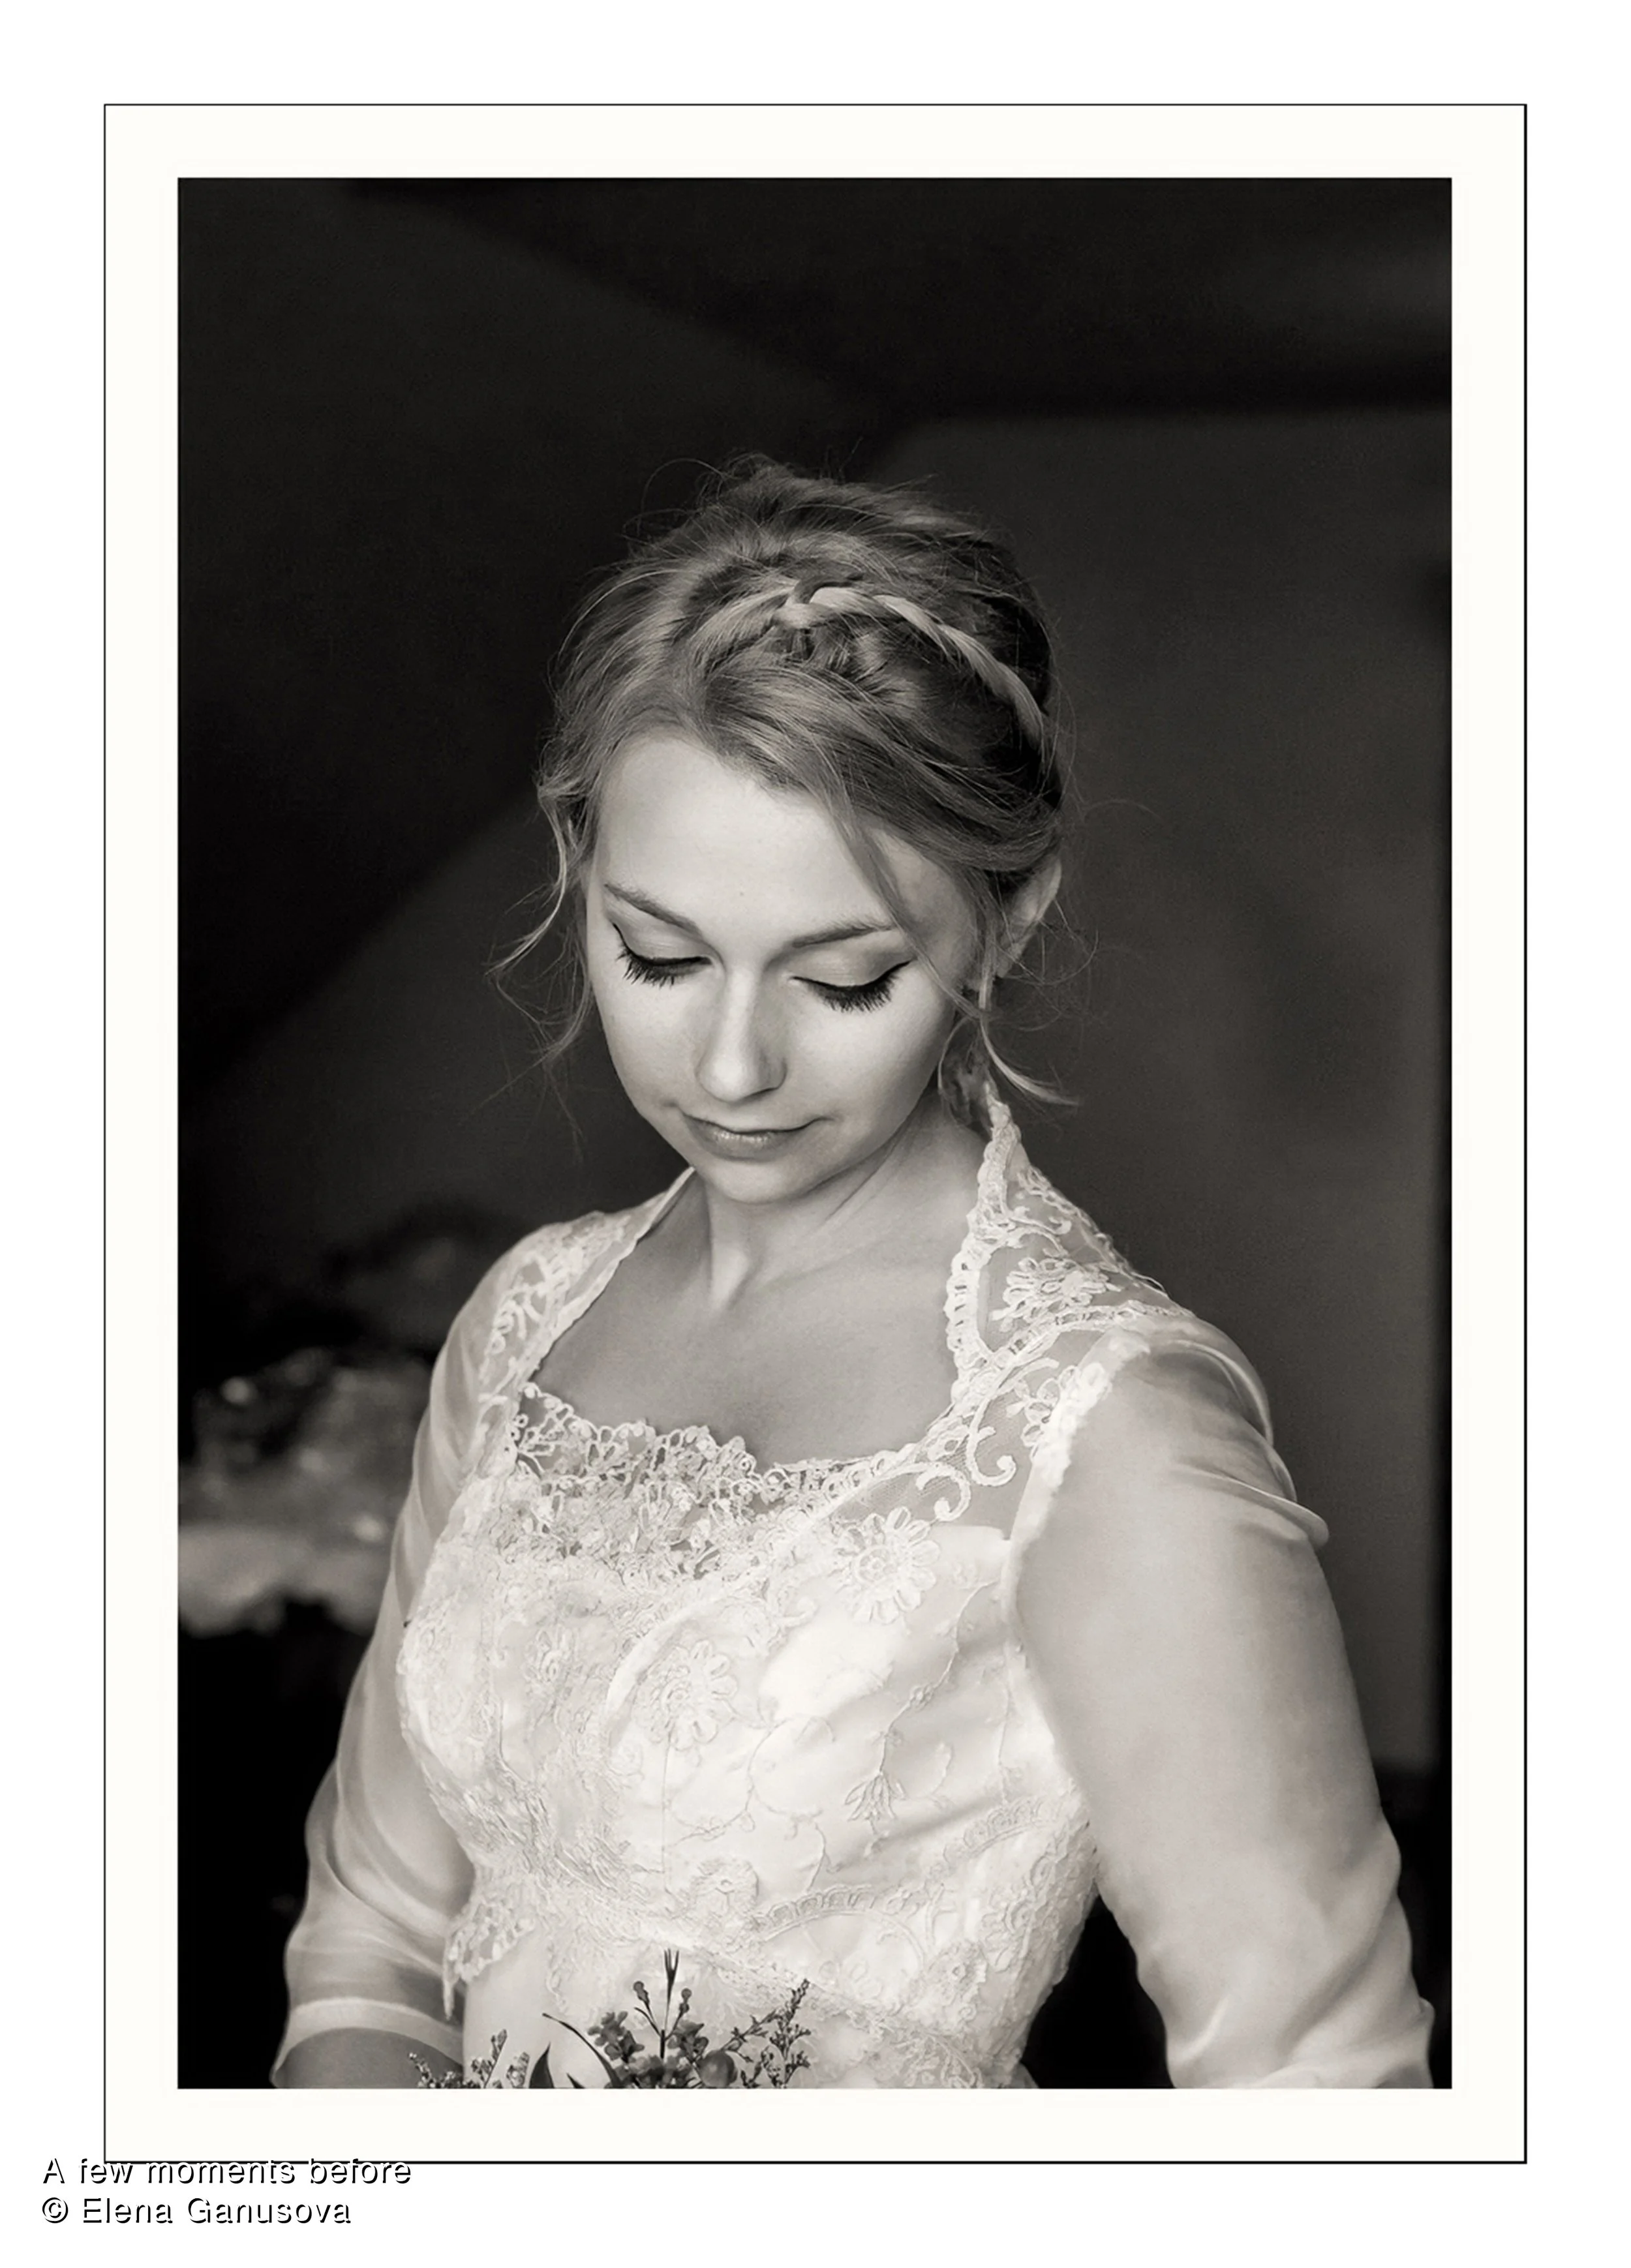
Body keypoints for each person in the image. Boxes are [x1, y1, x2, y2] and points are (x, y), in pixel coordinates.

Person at [274, 461, 1433, 2090]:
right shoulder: (527, 1322)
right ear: (576, 863)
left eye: (843, 977)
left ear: (1006, 918)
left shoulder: (1105, 1430)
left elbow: (1322, 2105)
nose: (731, 1063)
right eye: (656, 954)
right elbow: (375, 1925)